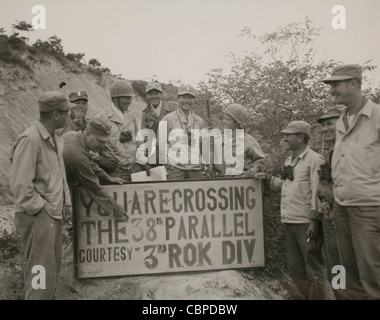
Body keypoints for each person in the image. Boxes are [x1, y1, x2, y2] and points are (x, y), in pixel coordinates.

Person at [321, 63, 380, 299]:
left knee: (371, 274)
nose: (331, 90)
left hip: (368, 207)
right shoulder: (341, 120)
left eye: (336, 84)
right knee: (349, 274)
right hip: (342, 206)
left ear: (354, 83)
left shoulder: (376, 116)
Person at [9, 91, 72, 300]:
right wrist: (42, 211)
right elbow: (20, 186)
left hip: (51, 215)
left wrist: (66, 204)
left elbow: (58, 178)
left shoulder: (54, 138)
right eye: (65, 112)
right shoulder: (30, 139)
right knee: (40, 274)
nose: (68, 116)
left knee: (50, 272)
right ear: (55, 114)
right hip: (38, 217)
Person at [255, 121, 328, 300]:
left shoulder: (315, 160)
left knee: (314, 268)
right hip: (290, 221)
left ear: (301, 137)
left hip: (306, 224)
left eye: (289, 135)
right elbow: (285, 186)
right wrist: (268, 178)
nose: (285, 138)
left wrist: (314, 221)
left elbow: (318, 192)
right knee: (296, 270)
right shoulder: (290, 161)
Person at [62, 118, 127, 219]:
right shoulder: (77, 156)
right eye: (100, 141)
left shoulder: (73, 136)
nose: (103, 146)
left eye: (105, 142)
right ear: (88, 134)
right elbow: (93, 186)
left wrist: (107, 178)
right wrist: (115, 208)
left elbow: (89, 163)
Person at [316, 107, 347, 300]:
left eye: (330, 123)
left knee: (349, 266)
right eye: (323, 125)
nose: (325, 128)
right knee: (335, 266)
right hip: (330, 219)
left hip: (347, 220)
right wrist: (324, 202)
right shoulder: (330, 153)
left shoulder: (350, 150)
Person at [95, 80, 150, 181]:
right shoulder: (102, 117)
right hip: (115, 171)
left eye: (130, 98)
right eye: (126, 98)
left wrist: (143, 162)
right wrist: (99, 160)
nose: (129, 101)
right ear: (115, 99)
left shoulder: (132, 117)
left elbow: (139, 142)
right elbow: (88, 142)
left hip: (134, 169)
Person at [160, 85, 205, 180]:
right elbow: (160, 144)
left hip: (195, 169)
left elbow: (202, 145)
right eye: (184, 97)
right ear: (178, 98)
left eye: (190, 98)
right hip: (175, 169)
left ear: (194, 100)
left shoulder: (199, 121)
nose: (187, 101)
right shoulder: (168, 119)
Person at [217, 103, 267, 177]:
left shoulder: (248, 141)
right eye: (224, 118)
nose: (224, 122)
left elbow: (261, 161)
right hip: (221, 184)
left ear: (237, 122)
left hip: (242, 184)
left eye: (228, 119)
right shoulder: (220, 140)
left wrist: (249, 173)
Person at [141, 82, 177, 167]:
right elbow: (146, 137)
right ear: (147, 96)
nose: (154, 96)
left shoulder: (173, 108)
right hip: (156, 152)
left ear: (161, 94)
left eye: (156, 93)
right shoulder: (145, 114)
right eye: (150, 94)